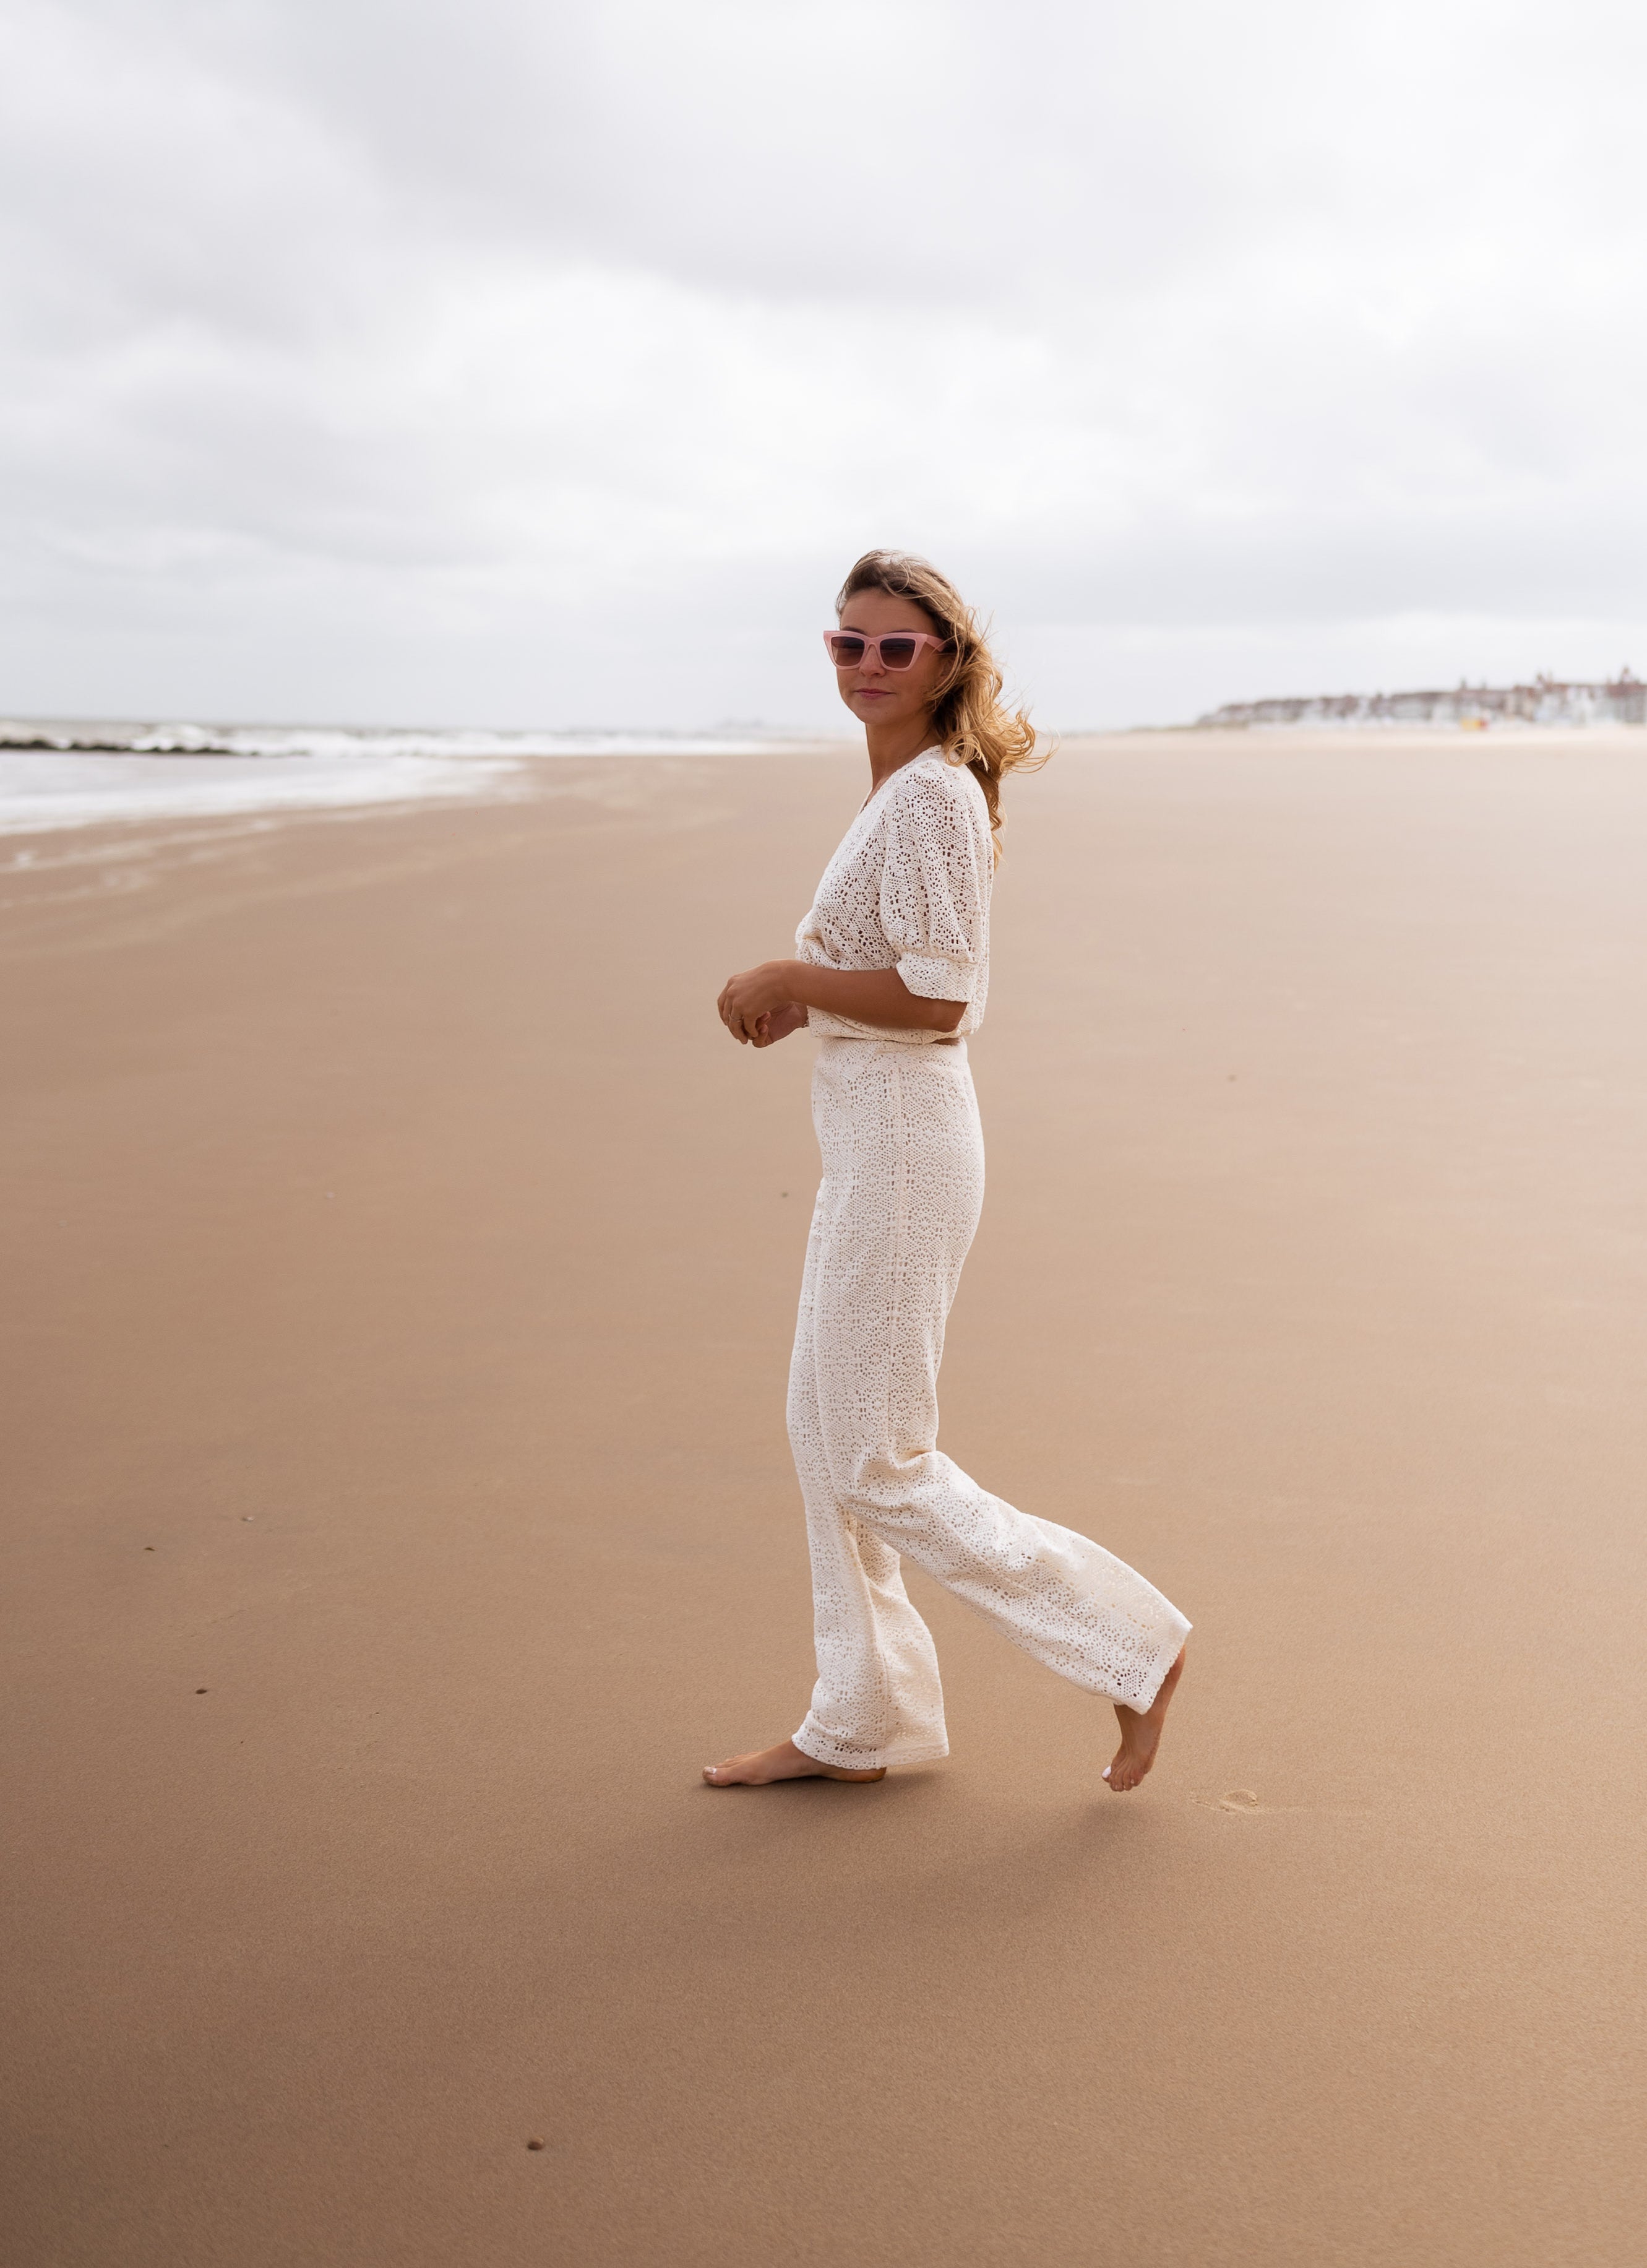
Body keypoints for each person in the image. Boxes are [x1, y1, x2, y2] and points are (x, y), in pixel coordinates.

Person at [706, 551, 1189, 1795]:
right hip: (871, 1140)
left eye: (894, 647)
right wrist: (810, 1005)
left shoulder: (927, 796)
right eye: (847, 643)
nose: (866, 665)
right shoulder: (901, 790)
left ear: (945, 663)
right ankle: (864, 1721)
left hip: (906, 1152)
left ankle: (1130, 1648)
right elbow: (902, 981)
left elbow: (940, 995)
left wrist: (791, 977)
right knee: (823, 1429)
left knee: (877, 1455)